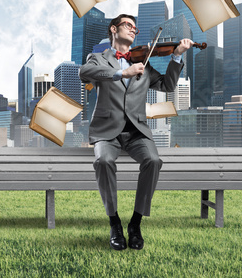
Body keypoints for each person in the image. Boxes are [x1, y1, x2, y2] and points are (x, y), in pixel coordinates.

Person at [80, 13, 192, 250]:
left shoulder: (144, 63)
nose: (133, 30)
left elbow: (167, 85)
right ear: (113, 29)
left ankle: (135, 223)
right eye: (128, 25)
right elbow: (85, 73)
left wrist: (176, 56)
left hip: (136, 130)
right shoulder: (98, 58)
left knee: (153, 160)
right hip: (107, 131)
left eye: (135, 28)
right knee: (103, 161)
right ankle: (114, 223)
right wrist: (122, 73)